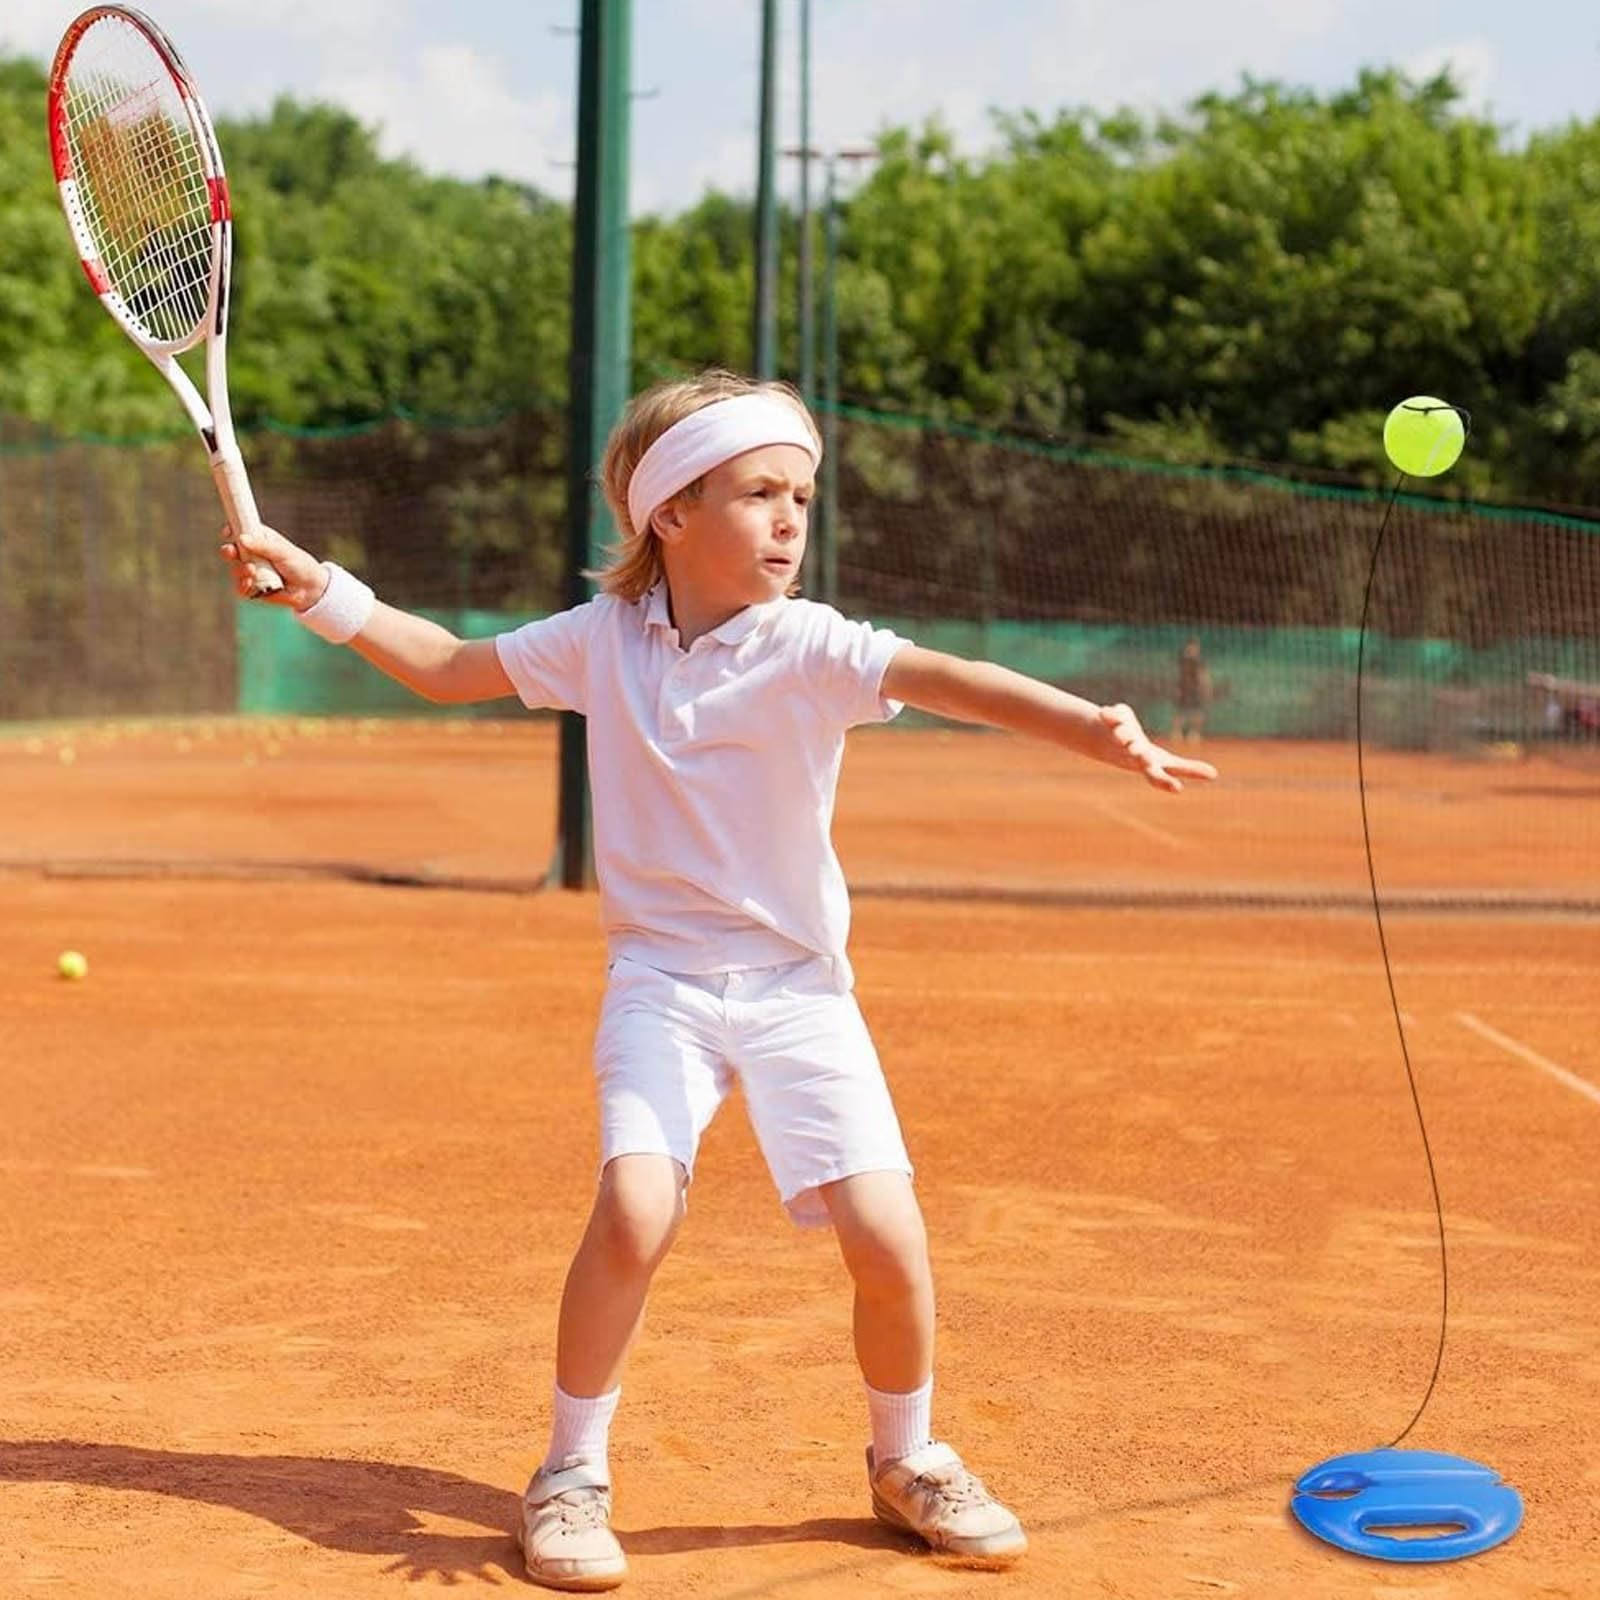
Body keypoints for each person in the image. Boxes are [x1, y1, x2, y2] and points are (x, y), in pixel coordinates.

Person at [220, 369, 1218, 1592]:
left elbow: (947, 678)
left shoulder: (812, 646)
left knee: (886, 1234)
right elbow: (442, 661)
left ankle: (908, 1457)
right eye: (758, 492)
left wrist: (1092, 725)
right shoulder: (599, 641)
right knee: (636, 1208)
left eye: (801, 493)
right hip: (663, 982)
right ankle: (569, 1474)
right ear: (669, 515)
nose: (792, 518)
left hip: (801, 989)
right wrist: (317, 588)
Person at [1172, 636, 1213, 745]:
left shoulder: (1199, 661)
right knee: (1181, 712)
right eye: (1191, 647)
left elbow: (1204, 676)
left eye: (1195, 648)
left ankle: (1194, 734)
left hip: (1196, 691)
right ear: (1187, 647)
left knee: (1198, 713)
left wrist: (1205, 689)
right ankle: (1177, 734)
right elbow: (1178, 676)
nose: (1194, 649)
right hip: (1184, 691)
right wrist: (1177, 689)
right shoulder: (1182, 660)